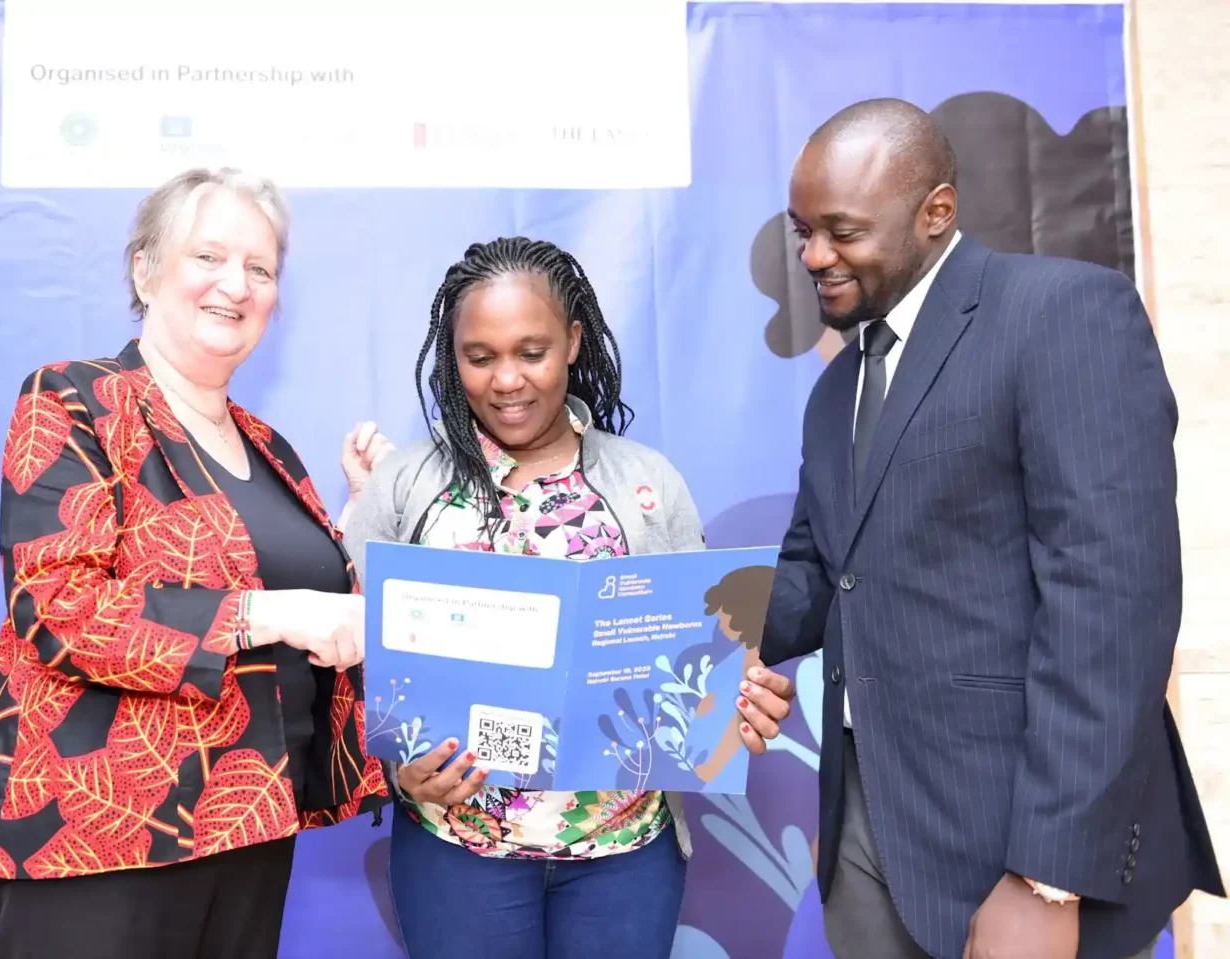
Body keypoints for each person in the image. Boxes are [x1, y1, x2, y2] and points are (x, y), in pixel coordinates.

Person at [755, 98, 1223, 959]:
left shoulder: (1062, 313)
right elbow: (816, 573)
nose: (814, 256)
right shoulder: (836, 390)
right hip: (867, 828)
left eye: (841, 230)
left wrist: (1050, 873)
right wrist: (668, 618)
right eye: (802, 230)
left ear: (936, 212)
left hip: (1021, 838)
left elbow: (1112, 606)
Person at [0, 167, 390, 959]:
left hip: (251, 823)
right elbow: (58, 607)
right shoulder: (74, 400)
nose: (237, 284)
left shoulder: (271, 448)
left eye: (260, 268)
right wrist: (274, 613)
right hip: (102, 835)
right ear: (144, 269)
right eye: (210, 257)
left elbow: (316, 618)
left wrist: (354, 526)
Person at [340, 236, 793, 959]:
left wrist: (740, 694)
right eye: (479, 356)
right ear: (451, 357)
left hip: (625, 859)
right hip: (457, 854)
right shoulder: (406, 485)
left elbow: (703, 657)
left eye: (532, 350)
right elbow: (344, 655)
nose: (507, 379)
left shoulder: (648, 483)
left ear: (575, 341)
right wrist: (395, 770)